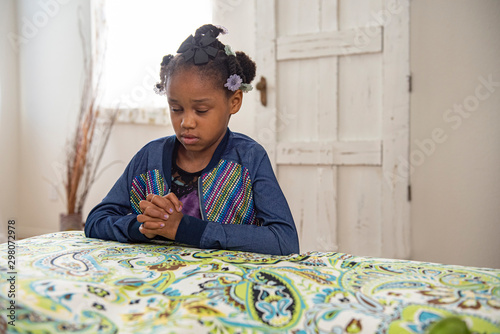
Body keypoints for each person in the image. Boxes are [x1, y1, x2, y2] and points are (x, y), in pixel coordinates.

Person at [85, 24, 299, 255]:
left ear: (234, 101)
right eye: (176, 109)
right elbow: (96, 221)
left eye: (201, 110)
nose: (186, 122)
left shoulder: (248, 158)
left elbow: (284, 241)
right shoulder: (150, 157)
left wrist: (185, 229)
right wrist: (144, 226)